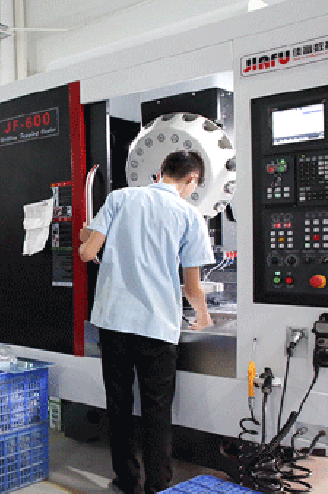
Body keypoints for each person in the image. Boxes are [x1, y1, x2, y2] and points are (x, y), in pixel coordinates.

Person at [79, 150, 214, 494]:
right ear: (191, 179)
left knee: (119, 405)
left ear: (161, 172)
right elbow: (192, 286)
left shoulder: (120, 198)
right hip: (157, 327)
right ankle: (158, 486)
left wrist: (89, 242)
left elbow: (87, 251)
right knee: (157, 411)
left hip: (114, 322)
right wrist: (203, 316)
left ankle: (127, 481)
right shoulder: (189, 215)